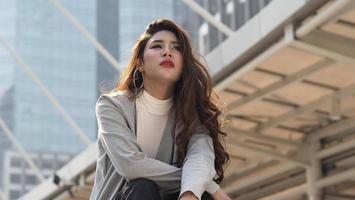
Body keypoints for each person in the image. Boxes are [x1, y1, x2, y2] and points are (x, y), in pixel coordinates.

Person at [90, 19, 231, 200]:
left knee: (200, 194)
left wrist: (191, 191)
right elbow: (131, 165)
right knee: (144, 186)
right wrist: (206, 184)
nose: (167, 52)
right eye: (157, 46)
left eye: (176, 48)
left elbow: (201, 158)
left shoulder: (191, 116)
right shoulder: (112, 106)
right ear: (140, 63)